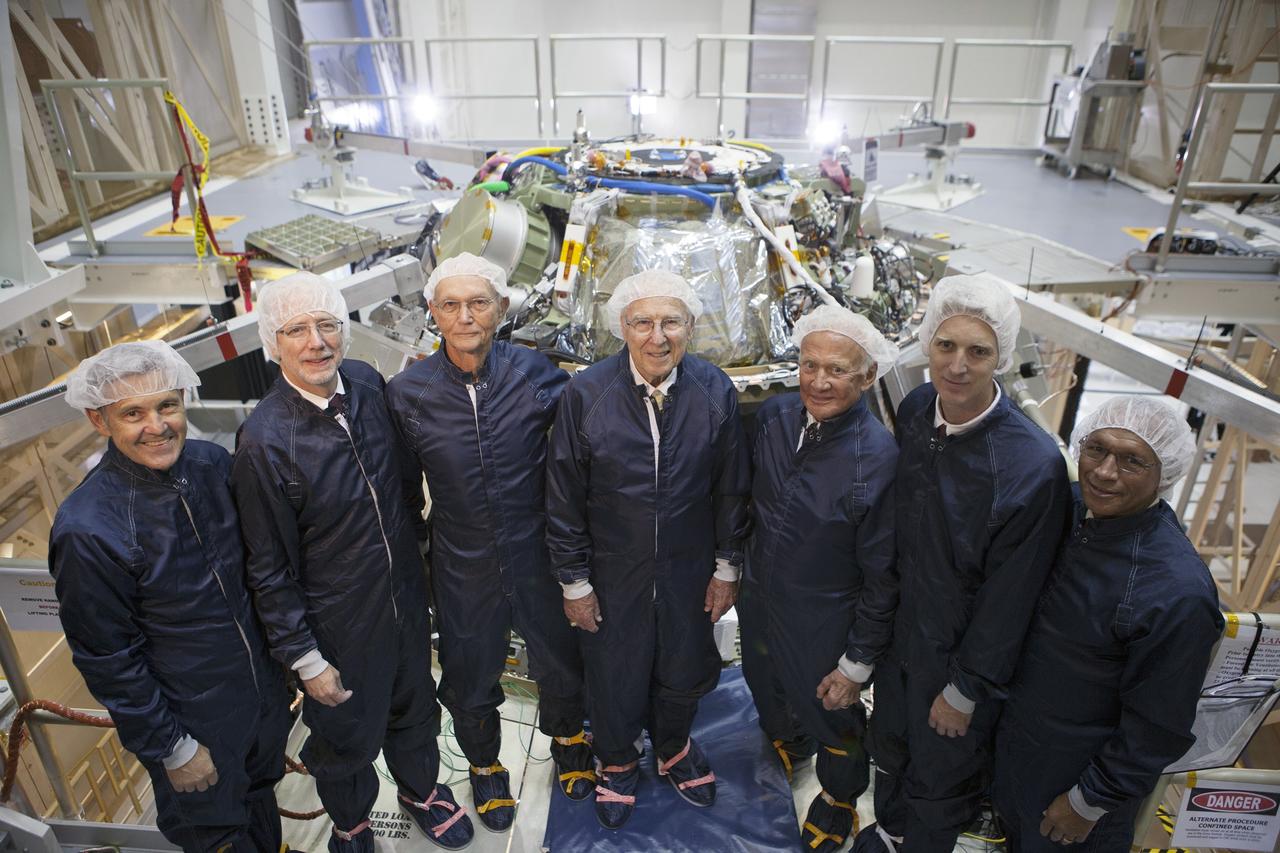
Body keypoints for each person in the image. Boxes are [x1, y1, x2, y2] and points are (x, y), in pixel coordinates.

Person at [232, 273, 473, 852]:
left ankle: (420, 791)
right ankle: (351, 822)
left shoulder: (366, 384)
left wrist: (418, 549)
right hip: (338, 624)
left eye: (327, 325)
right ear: (274, 343)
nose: (316, 342)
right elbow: (266, 567)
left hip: (404, 599)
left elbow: (401, 482)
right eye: (296, 330)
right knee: (345, 736)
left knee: (416, 708)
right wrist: (306, 658)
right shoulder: (264, 441)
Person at [856, 272, 1072, 853]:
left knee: (941, 781)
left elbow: (1013, 597)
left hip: (956, 662)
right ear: (927, 342)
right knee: (891, 751)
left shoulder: (1032, 467)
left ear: (1000, 357)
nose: (957, 365)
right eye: (946, 345)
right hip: (901, 645)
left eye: (978, 351)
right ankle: (890, 833)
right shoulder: (919, 408)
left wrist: (966, 689)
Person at [49, 340, 291, 852]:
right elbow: (108, 656)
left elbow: (257, 573)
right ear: (99, 420)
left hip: (259, 700)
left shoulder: (210, 464)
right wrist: (171, 747)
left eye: (167, 406)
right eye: (132, 413)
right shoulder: (89, 527)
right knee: (216, 832)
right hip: (192, 724)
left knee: (261, 800)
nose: (156, 426)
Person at [385, 253, 590, 831]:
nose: (465, 316)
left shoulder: (537, 374)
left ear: (501, 308)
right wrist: (422, 560)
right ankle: (483, 763)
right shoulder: (409, 392)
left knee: (560, 656)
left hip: (538, 546)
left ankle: (570, 739)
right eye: (450, 305)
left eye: (479, 302)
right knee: (468, 669)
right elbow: (402, 488)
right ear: (433, 314)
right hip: (460, 554)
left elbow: (580, 455)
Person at [545, 269, 750, 830]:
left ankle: (675, 746)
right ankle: (616, 758)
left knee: (684, 663)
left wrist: (728, 566)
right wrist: (575, 583)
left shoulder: (714, 391)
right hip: (612, 571)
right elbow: (563, 497)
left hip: (689, 567)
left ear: (690, 327)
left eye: (671, 322)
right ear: (623, 329)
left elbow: (732, 488)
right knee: (613, 670)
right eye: (643, 322)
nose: (657, 337)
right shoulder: (588, 393)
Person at [994, 396, 1223, 851]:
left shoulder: (1176, 591)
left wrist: (1089, 802)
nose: (1104, 472)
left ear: (1166, 474)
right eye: (1096, 449)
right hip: (1016, 754)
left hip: (1073, 790)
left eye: (1132, 460)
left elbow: (1159, 725)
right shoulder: (1072, 509)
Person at [740, 305, 900, 852]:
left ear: (867, 377)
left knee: (834, 713)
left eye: (837, 370)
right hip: (760, 595)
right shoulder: (777, 417)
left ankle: (840, 797)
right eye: (810, 366)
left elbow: (884, 574)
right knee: (764, 680)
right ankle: (790, 740)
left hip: (824, 615)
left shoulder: (877, 458)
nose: (820, 381)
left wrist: (857, 662)